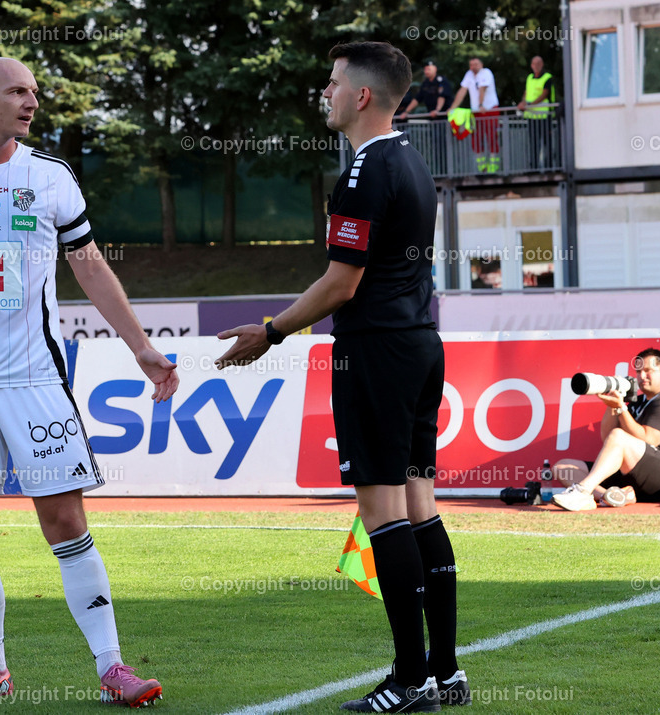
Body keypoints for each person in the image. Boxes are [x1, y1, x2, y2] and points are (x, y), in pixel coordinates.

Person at [0, 57, 177, 706]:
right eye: (18, 91)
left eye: (36, 92)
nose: (32, 102)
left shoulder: (51, 178)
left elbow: (92, 268)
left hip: (35, 381)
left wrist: (142, 348)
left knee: (65, 520)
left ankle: (113, 667)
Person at [215, 41, 468, 713]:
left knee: (382, 510)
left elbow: (340, 282)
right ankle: (444, 672)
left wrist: (269, 331)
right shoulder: (414, 163)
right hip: (419, 343)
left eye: (331, 84)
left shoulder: (362, 174)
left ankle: (409, 679)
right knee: (421, 505)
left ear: (361, 96)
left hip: (377, 351)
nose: (324, 94)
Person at [553, 348, 660, 511]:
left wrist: (621, 408)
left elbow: (649, 439)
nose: (642, 376)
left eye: (648, 371)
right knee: (563, 468)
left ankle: (583, 491)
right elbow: (608, 438)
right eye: (639, 371)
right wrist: (611, 406)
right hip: (635, 475)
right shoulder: (639, 401)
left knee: (619, 436)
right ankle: (611, 497)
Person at [451, 57, 500, 173]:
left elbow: (482, 89)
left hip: (489, 109)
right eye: (471, 65)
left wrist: (481, 104)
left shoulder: (486, 73)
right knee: (476, 138)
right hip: (476, 112)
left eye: (476, 64)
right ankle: (481, 168)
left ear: (481, 64)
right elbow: (462, 90)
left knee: (491, 136)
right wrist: (453, 107)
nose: (473, 67)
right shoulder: (469, 74)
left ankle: (493, 168)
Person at [516, 56, 556, 170]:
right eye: (534, 64)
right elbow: (526, 92)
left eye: (538, 63)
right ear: (531, 65)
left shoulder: (547, 77)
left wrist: (530, 105)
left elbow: (544, 94)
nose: (536, 66)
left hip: (544, 115)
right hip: (532, 116)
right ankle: (534, 168)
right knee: (533, 143)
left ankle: (548, 167)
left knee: (546, 143)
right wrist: (523, 103)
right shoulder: (529, 77)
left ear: (542, 64)